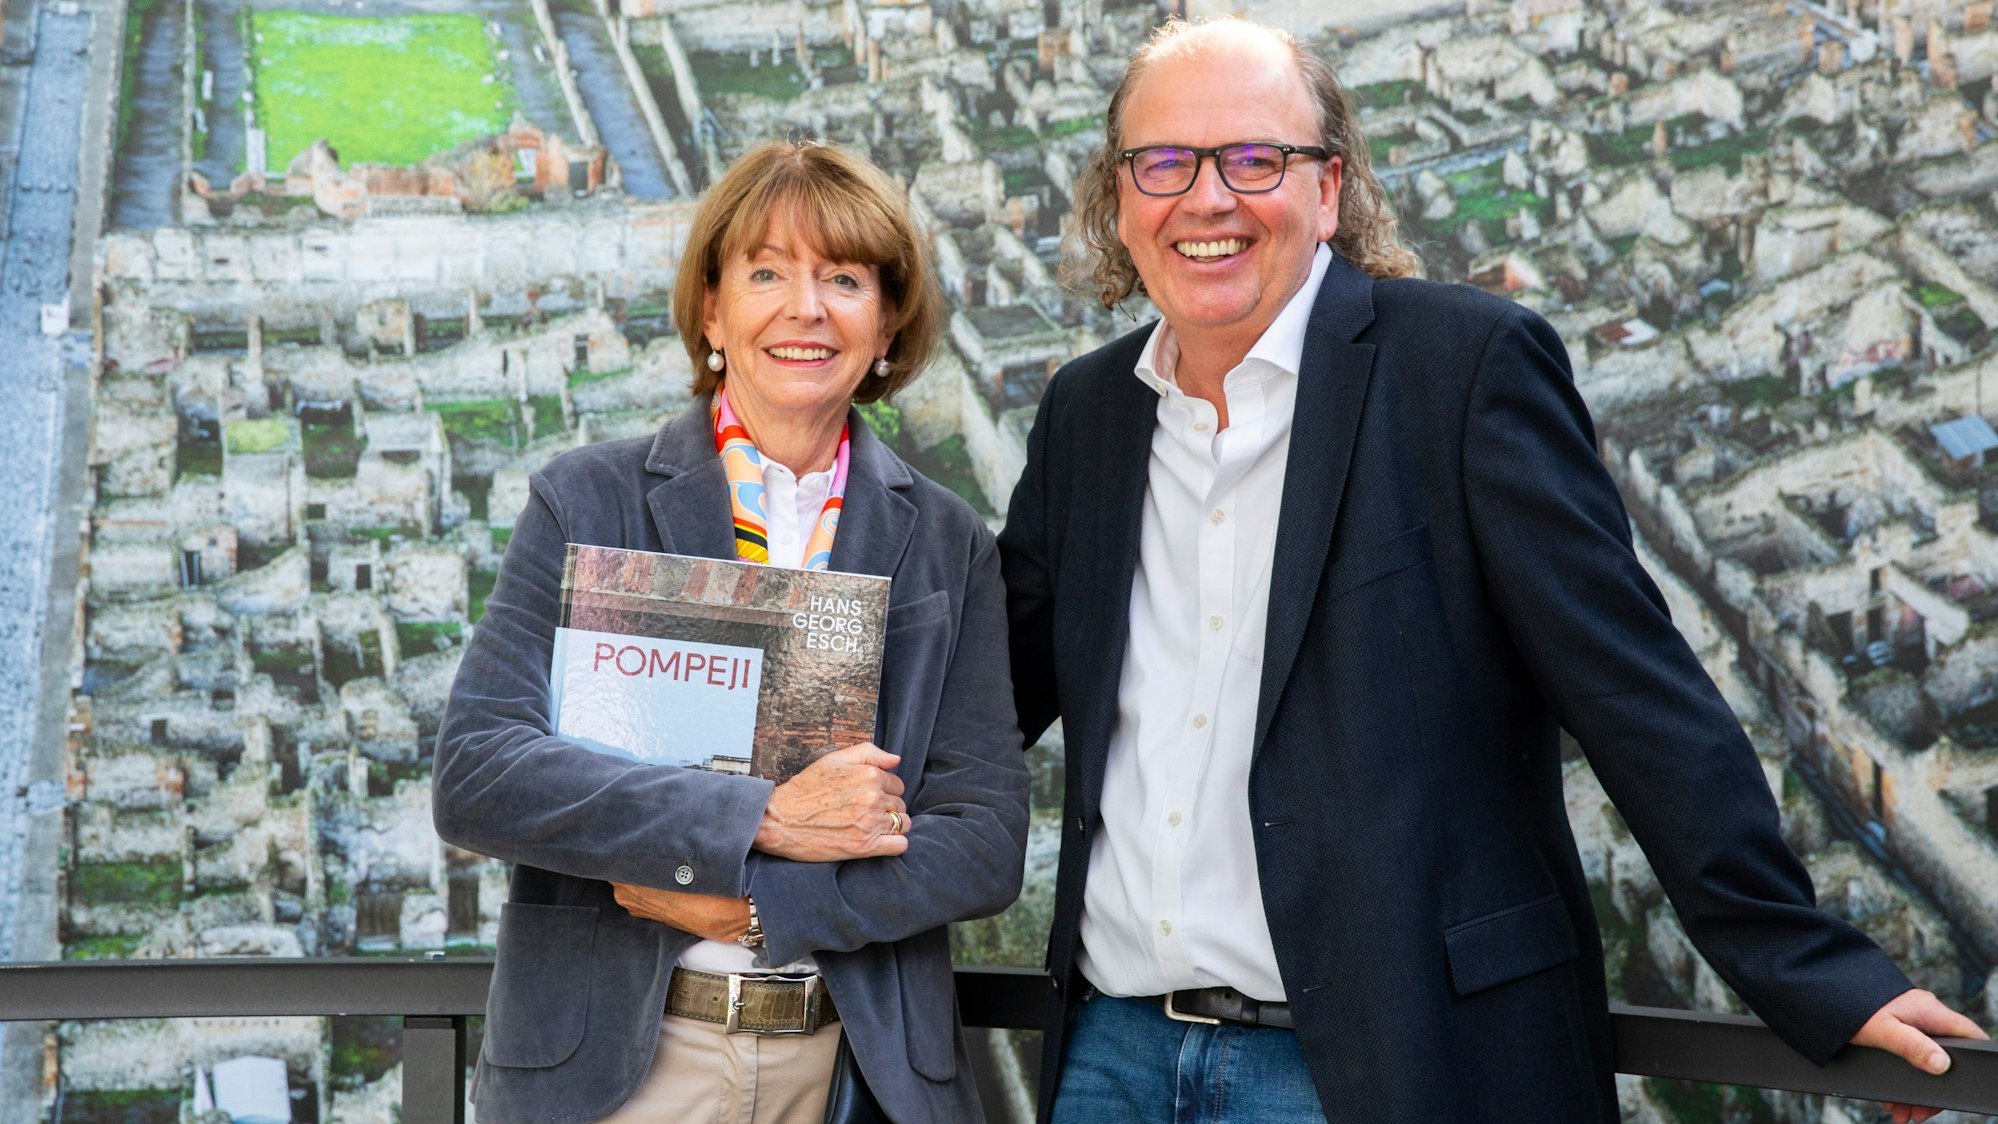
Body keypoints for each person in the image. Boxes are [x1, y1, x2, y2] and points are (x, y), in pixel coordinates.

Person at [998, 16, 1987, 1124]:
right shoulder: (1088, 416)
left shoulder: (1460, 370)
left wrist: (1810, 967)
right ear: (1121, 199)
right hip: (1113, 1054)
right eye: (1166, 162)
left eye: (1255, 158)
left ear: (1330, 190)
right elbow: (983, 696)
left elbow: (1634, 689)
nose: (1208, 197)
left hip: (1384, 1060)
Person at [434, 138, 1029, 1124]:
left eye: (843, 277)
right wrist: (763, 817)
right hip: (622, 1066)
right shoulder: (589, 501)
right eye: (766, 272)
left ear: (887, 324)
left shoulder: (948, 541)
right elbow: (482, 773)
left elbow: (984, 841)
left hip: (851, 1068)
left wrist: (763, 906)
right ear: (712, 310)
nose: (805, 307)